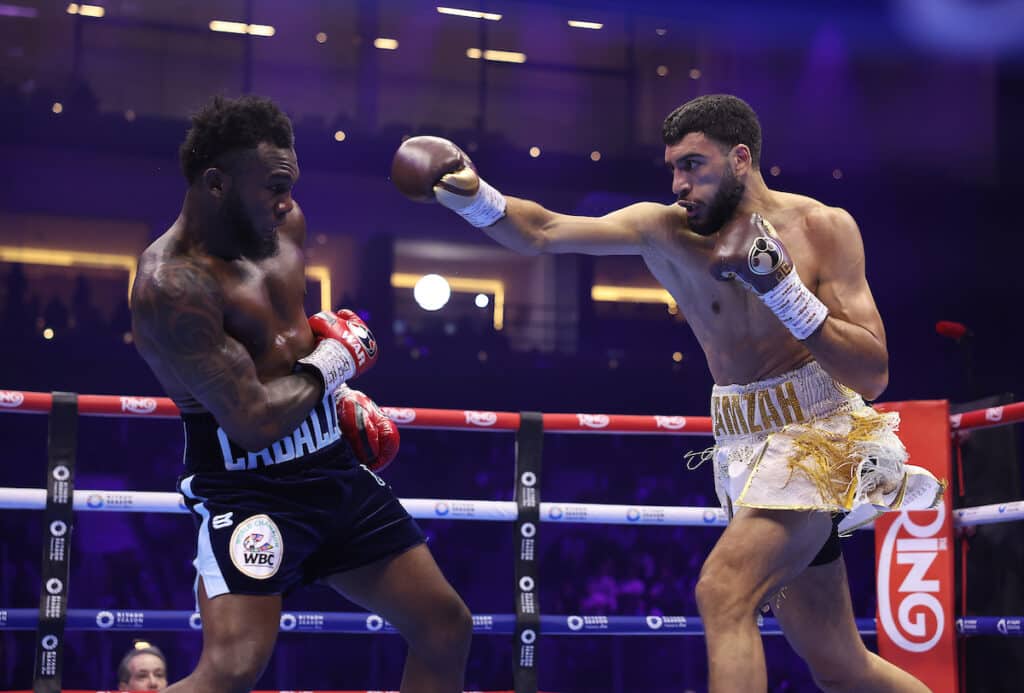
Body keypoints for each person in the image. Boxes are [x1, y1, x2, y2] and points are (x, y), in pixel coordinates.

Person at [391, 94, 943, 692]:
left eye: (693, 165)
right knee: (840, 666)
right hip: (743, 443)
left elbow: (873, 373)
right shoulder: (663, 230)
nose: (679, 183)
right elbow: (542, 231)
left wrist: (782, 288)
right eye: (674, 168)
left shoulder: (822, 228)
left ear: (740, 159)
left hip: (815, 435)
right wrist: (473, 197)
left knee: (723, 592)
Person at [130, 95, 472, 693]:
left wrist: (330, 398)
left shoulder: (283, 224)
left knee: (445, 627)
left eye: (289, 184)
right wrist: (334, 367)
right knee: (232, 670)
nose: (287, 201)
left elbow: (288, 339)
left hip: (330, 469)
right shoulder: (171, 285)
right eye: (273, 187)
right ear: (216, 183)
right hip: (248, 484)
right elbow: (253, 420)